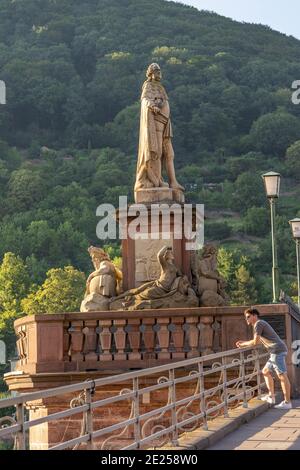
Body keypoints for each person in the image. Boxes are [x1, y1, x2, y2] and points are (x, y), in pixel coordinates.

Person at [134, 63, 184, 192]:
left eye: (159, 71)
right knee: (156, 152)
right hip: (155, 123)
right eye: (156, 71)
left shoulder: (160, 87)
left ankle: (173, 182)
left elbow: (163, 100)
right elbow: (144, 99)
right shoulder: (148, 85)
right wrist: (152, 105)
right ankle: (155, 180)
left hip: (165, 124)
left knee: (169, 154)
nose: (159, 73)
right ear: (151, 73)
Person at [236, 308, 292, 409]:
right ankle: (271, 397)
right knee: (265, 371)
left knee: (282, 375)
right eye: (246, 318)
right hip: (276, 351)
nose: (247, 319)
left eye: (248, 317)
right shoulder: (260, 324)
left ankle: (287, 402)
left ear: (254, 316)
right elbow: (256, 341)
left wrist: (243, 344)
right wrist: (244, 343)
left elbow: (255, 342)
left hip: (277, 351)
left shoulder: (258, 324)